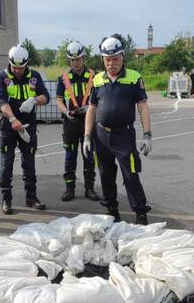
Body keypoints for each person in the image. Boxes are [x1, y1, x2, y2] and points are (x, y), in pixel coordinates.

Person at [83, 34, 152, 225]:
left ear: (122, 57)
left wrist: (147, 135)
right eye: (107, 60)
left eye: (115, 59)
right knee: (106, 174)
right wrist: (87, 136)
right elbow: (92, 109)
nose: (111, 63)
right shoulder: (97, 80)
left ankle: (140, 212)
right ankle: (111, 210)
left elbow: (143, 106)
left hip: (124, 135)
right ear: (103, 60)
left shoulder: (134, 78)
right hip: (101, 135)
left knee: (130, 174)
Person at [0, 44, 50, 214]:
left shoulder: (34, 76)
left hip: (28, 126)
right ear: (10, 62)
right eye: (15, 67)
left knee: (29, 164)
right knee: (6, 165)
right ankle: (6, 200)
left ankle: (31, 198)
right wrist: (13, 119)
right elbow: (2, 102)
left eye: (21, 67)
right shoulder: (3, 77)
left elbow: (45, 96)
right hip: (8, 126)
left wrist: (33, 100)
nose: (18, 70)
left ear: (27, 63)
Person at [55, 41, 100, 202]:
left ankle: (90, 188)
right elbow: (59, 100)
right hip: (71, 122)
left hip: (88, 122)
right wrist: (66, 112)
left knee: (89, 156)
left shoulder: (94, 77)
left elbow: (100, 99)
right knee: (70, 157)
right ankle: (69, 189)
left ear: (83, 58)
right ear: (69, 60)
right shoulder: (64, 78)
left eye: (78, 59)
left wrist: (90, 107)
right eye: (72, 60)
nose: (75, 63)